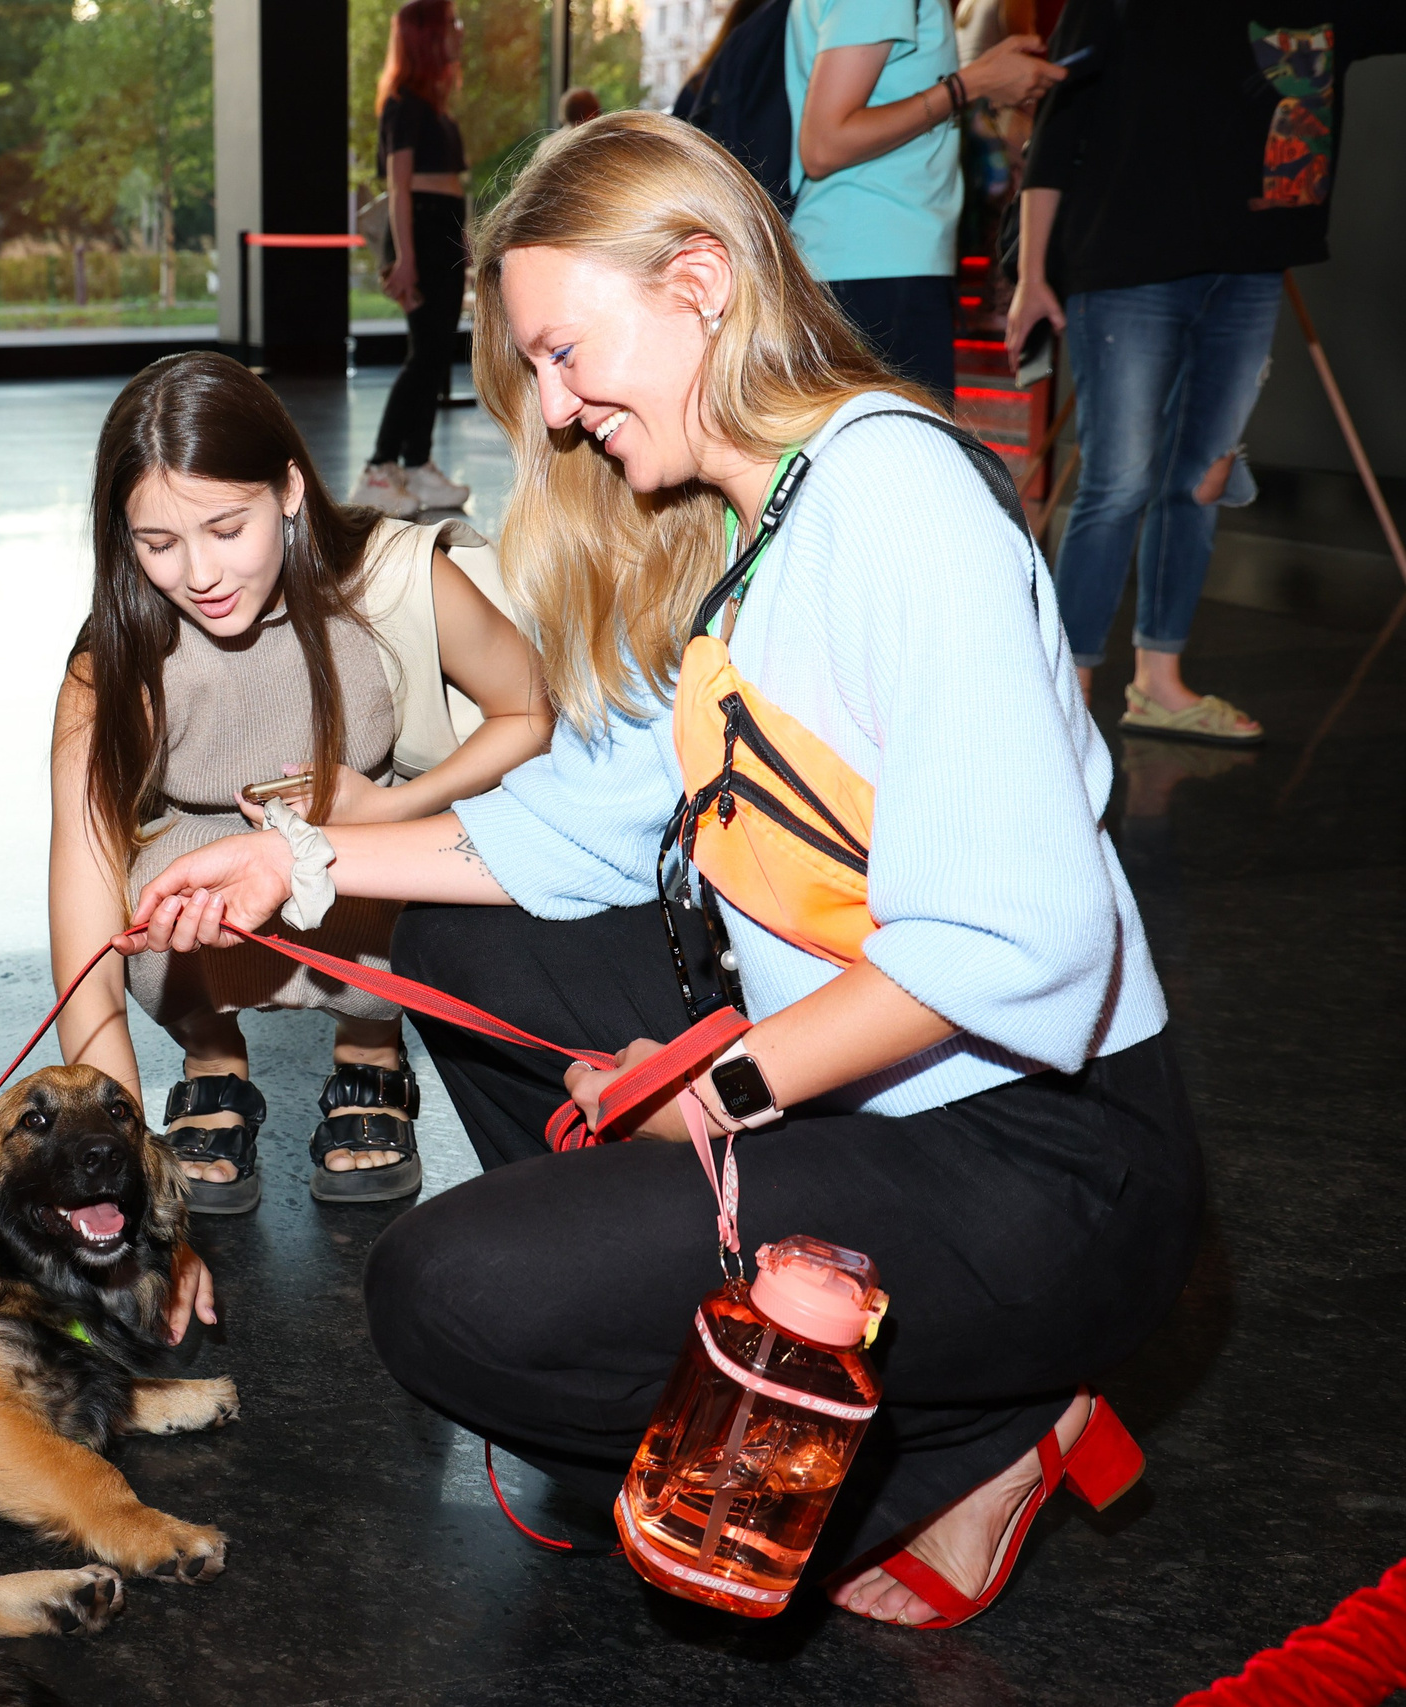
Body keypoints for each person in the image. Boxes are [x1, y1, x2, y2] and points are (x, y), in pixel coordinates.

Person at [129, 114, 1201, 1629]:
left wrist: (727, 1081)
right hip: (885, 1097)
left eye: (567, 354)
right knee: (444, 931)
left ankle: (971, 1434)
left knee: (449, 1297)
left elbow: (1018, 940)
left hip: (1049, 1165)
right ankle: (688, 1306)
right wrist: (296, 860)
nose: (556, 414)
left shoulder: (899, 502)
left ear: (699, 281)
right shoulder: (768, 520)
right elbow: (577, 824)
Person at [56, 352, 548, 1213]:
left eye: (225, 528)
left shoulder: (389, 577)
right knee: (142, 897)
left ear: (287, 488)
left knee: (409, 881)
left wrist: (391, 808)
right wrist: (114, 1144)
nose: (199, 574)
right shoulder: (112, 659)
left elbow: (531, 711)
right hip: (207, 872)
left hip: (366, 851)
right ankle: (210, 1061)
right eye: (159, 543)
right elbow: (84, 926)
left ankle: (370, 1046)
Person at [1008, 0, 1406, 745]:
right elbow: (1058, 132)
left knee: (1203, 478)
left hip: (1250, 269)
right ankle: (1066, 691)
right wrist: (1032, 274)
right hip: (1126, 268)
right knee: (1119, 480)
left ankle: (1158, 681)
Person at [785, 0, 1062, 398]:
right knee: (902, 455)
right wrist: (971, 85)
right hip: (877, 265)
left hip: (867, 261)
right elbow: (825, 145)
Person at [350, 0, 476, 522]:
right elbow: (398, 187)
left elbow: (448, 185)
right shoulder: (403, 103)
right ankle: (379, 469)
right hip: (419, 231)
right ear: (426, 36)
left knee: (435, 354)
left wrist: (461, 243)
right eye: (449, 23)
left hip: (439, 228)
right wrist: (405, 258)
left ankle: (417, 461)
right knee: (424, 355)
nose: (458, 30)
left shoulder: (435, 107)